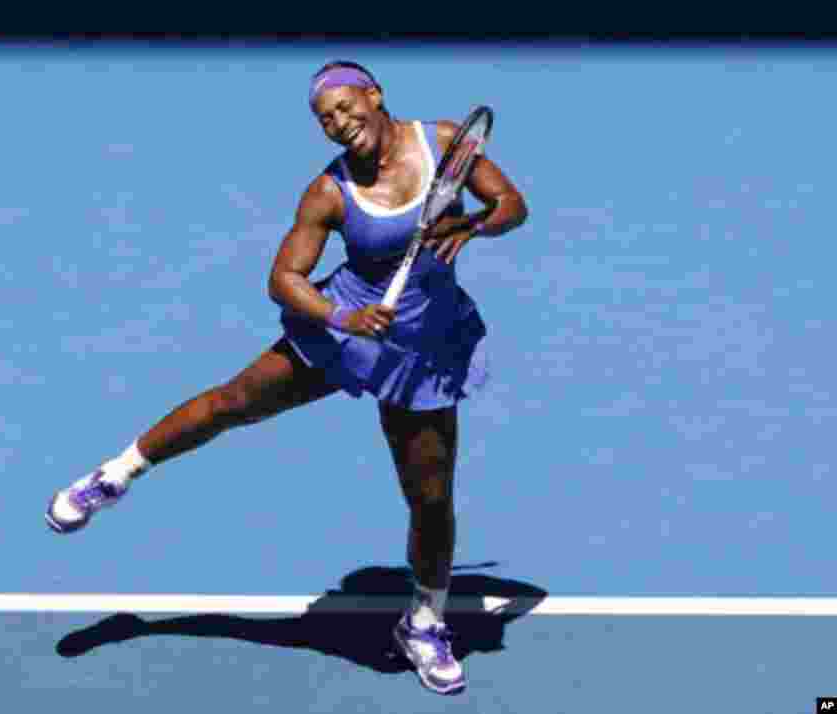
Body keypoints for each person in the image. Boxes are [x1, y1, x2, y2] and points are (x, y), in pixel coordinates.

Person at [45, 60, 528, 695]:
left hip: (425, 347)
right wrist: (343, 317)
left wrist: (472, 224)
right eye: (325, 118)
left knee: (430, 498)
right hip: (348, 329)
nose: (338, 122)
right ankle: (114, 475)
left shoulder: (443, 143)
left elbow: (511, 205)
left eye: (345, 106)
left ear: (375, 95)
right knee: (234, 401)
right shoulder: (329, 192)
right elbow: (283, 281)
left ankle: (424, 621)